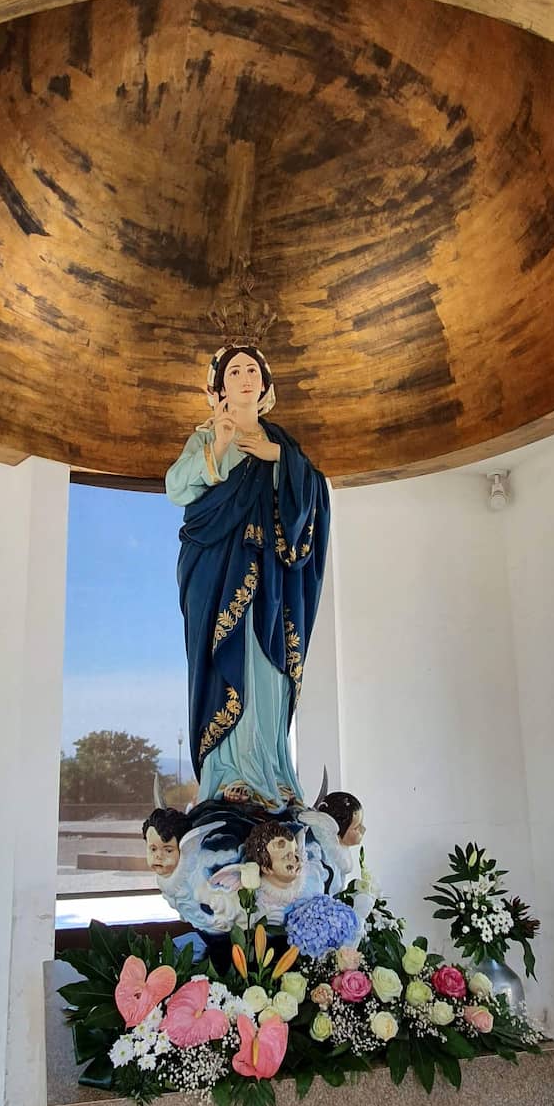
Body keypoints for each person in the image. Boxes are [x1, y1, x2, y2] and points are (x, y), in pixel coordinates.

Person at [165, 340, 330, 810]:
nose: (244, 377)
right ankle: (229, 774)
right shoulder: (204, 437)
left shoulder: (282, 444)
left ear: (264, 384)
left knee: (267, 663)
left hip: (271, 578)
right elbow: (176, 489)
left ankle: (271, 771)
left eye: (252, 370)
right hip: (217, 571)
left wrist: (278, 458)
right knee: (225, 658)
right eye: (234, 371)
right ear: (220, 387)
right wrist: (219, 445)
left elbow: (313, 497)